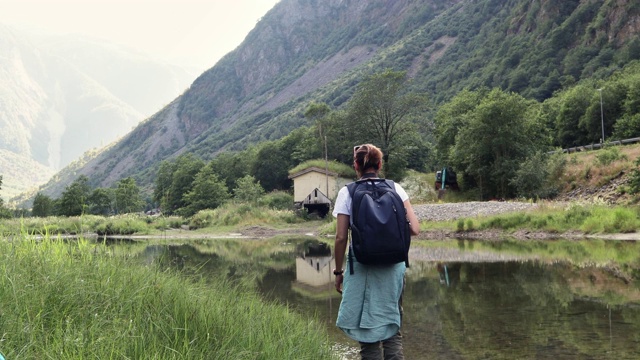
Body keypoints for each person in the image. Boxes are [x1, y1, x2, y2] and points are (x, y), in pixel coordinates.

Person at [333, 143, 420, 360]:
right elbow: (415, 229)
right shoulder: (395, 188)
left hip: (362, 266)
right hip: (393, 267)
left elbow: (341, 237)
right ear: (379, 164)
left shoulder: (348, 192)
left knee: (368, 333)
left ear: (356, 166)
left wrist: (337, 272)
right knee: (392, 329)